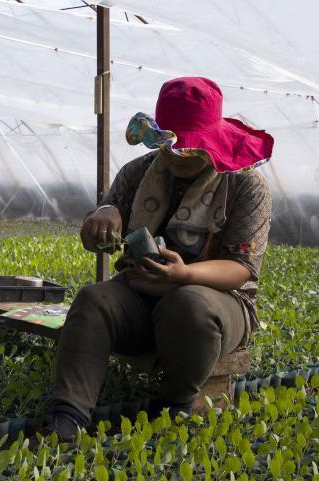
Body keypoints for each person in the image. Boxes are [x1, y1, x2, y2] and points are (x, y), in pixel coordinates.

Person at [39, 76, 274, 441]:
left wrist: (184, 274)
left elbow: (240, 269)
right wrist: (103, 215)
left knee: (189, 304)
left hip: (216, 305)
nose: (177, 156)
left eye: (189, 148)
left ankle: (175, 403)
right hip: (139, 294)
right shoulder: (139, 172)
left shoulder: (244, 186)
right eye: (171, 146)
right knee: (93, 300)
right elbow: (97, 231)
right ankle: (68, 416)